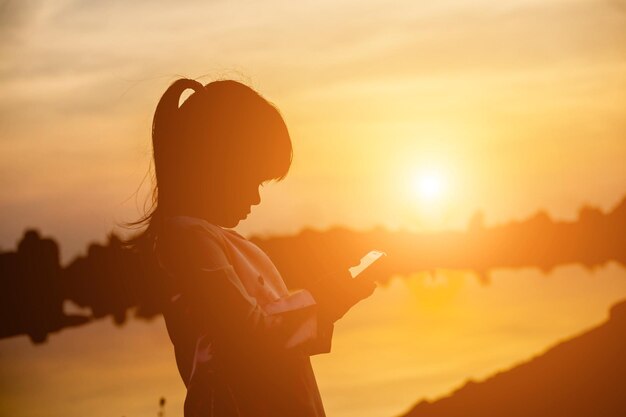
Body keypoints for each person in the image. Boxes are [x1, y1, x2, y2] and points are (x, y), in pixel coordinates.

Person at [124, 77, 380, 416]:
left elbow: (266, 321)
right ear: (217, 164)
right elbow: (247, 338)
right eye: (254, 179)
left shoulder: (213, 240)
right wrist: (329, 298)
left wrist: (333, 291)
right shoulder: (188, 242)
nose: (257, 198)